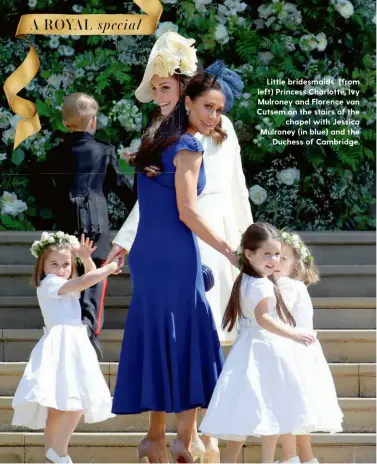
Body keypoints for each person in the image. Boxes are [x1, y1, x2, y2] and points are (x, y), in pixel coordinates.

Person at [111, 71, 239, 463]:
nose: (214, 116)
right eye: (208, 107)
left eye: (219, 110)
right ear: (188, 103)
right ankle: (184, 439)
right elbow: (187, 211)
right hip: (175, 253)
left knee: (164, 336)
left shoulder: (153, 139)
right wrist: (230, 250)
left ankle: (156, 438)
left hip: (149, 254)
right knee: (188, 336)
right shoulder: (186, 145)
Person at [108, 32, 252, 345]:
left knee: (204, 324)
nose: (159, 97)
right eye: (156, 89)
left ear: (184, 88)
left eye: (165, 88)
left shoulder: (213, 127)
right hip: (178, 229)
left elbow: (236, 188)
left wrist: (246, 238)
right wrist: (126, 240)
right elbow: (156, 195)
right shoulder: (163, 132)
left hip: (206, 230)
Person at [199, 222, 319, 464]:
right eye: (267, 254)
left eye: (277, 254)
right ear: (249, 254)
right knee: (271, 409)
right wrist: (294, 334)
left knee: (244, 413)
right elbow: (263, 319)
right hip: (265, 351)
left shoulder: (245, 278)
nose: (274, 260)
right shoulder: (262, 283)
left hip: (246, 351)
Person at [35, 93, 136, 359]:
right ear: (93, 121)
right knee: (94, 283)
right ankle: (89, 333)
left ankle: (69, 337)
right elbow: (124, 191)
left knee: (66, 278)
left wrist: (59, 204)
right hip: (97, 226)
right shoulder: (104, 151)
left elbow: (42, 191)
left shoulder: (54, 154)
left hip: (66, 226)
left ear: (63, 121)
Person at [12, 232, 120, 464]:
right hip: (64, 343)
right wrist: (110, 267)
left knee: (59, 405)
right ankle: (59, 451)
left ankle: (52, 453)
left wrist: (85, 257)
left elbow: (89, 278)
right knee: (77, 399)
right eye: (54, 264)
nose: (61, 268)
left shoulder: (62, 283)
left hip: (71, 341)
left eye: (66, 264)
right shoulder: (50, 284)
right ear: (42, 266)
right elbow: (85, 281)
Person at [275, 231, 343, 463]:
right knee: (299, 412)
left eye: (283, 259)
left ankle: (288, 456)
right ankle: (306, 457)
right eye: (274, 256)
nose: (276, 262)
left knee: (287, 409)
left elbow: (278, 317)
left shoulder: (286, 286)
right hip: (304, 355)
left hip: (291, 354)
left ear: (295, 264)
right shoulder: (296, 285)